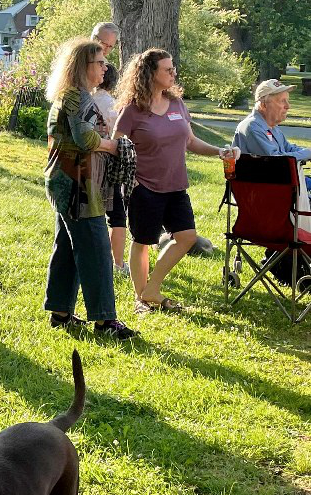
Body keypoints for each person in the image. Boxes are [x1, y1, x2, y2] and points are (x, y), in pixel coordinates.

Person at [114, 48, 234, 313]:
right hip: (144, 186)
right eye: (167, 69)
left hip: (176, 185)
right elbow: (116, 146)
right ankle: (140, 298)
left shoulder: (177, 104)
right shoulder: (132, 110)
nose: (173, 73)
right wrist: (130, 181)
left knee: (187, 236)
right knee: (143, 241)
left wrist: (218, 151)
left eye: (173, 68)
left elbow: (190, 141)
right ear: (150, 74)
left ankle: (151, 288)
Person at [42, 38, 136, 340]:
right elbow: (86, 139)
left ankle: (60, 312)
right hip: (77, 184)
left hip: (68, 181)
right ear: (84, 66)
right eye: (99, 62)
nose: (105, 66)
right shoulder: (77, 97)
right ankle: (106, 320)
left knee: (69, 246)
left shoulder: (74, 96)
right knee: (96, 248)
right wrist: (114, 146)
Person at [90, 59, 129, 275]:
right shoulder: (113, 106)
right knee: (116, 215)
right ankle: (118, 263)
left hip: (88, 165)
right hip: (108, 163)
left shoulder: (87, 100)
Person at [234, 79, 311, 166]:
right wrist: (307, 153)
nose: (288, 106)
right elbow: (276, 160)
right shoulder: (252, 127)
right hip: (263, 179)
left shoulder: (271, 126)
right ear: (263, 105)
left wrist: (307, 152)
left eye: (287, 100)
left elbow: (288, 148)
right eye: (282, 101)